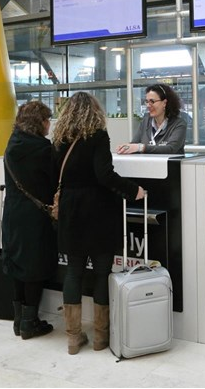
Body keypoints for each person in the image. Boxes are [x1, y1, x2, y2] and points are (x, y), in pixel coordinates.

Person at [53, 92, 144, 355]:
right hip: (98, 210)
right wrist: (133, 190)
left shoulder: (59, 139)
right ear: (95, 111)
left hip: (70, 209)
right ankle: (101, 338)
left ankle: (72, 337)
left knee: (74, 271)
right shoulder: (98, 136)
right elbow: (104, 175)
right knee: (102, 271)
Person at [1, 101, 57, 340]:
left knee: (17, 265)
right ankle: (29, 322)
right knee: (35, 266)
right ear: (39, 122)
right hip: (36, 215)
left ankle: (17, 320)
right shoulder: (44, 149)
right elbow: (54, 180)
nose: (49, 125)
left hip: (13, 212)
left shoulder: (12, 143)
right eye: (47, 120)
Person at [117, 83, 189, 155]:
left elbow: (171, 149)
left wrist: (142, 147)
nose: (148, 105)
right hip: (147, 165)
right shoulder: (145, 122)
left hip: (169, 165)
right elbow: (134, 144)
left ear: (164, 103)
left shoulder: (178, 124)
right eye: (147, 101)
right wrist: (126, 148)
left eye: (152, 101)